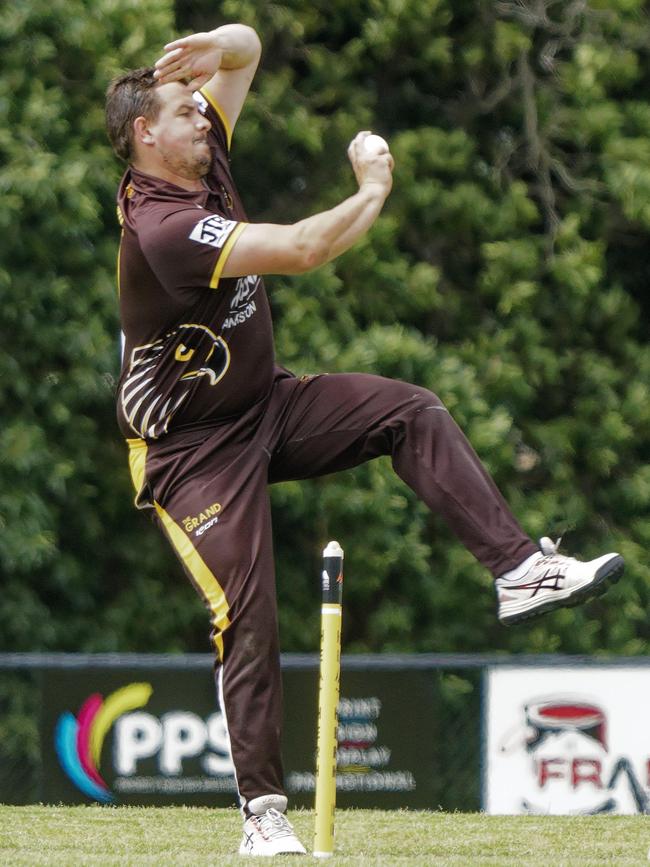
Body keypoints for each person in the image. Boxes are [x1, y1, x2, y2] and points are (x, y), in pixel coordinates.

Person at [105, 22, 624, 857]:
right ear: (145, 135)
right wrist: (372, 189)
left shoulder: (202, 152)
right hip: (189, 452)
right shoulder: (162, 227)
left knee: (410, 410)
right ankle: (263, 814)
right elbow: (306, 249)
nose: (203, 117)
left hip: (263, 405)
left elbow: (248, 50)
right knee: (248, 609)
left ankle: (522, 571)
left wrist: (217, 43)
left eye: (201, 107)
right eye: (183, 111)